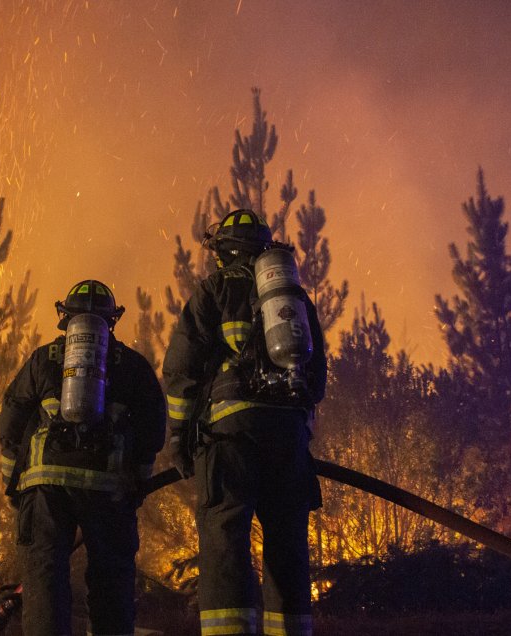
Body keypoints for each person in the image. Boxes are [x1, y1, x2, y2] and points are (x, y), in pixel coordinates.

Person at [162, 209, 327, 636]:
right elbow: (317, 376)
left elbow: (181, 369)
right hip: (288, 438)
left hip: (230, 436)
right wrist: (297, 429)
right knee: (288, 547)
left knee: (225, 543)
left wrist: (179, 437)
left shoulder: (215, 288)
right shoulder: (295, 298)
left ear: (225, 252)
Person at [0, 279, 166, 635]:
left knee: (44, 574)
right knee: (111, 578)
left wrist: (12, 480)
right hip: (108, 487)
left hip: (46, 486)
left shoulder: (43, 359)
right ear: (112, 320)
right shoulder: (131, 365)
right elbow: (153, 424)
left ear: (66, 318)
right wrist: (137, 475)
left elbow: (12, 417)